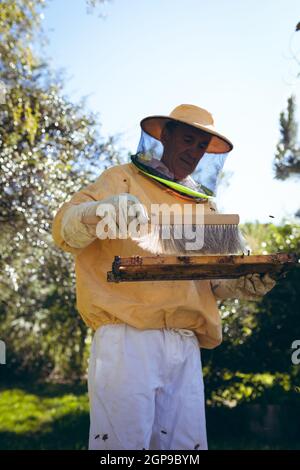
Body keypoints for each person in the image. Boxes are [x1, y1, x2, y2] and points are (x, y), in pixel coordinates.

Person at [52, 104, 276, 450]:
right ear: (164, 135)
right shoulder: (120, 178)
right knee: (121, 451)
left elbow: (212, 280)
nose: (194, 152)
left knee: (184, 450)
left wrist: (243, 281)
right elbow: (64, 230)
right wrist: (98, 211)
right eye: (188, 139)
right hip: (129, 339)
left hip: (185, 344)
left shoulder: (204, 207)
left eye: (202, 146)